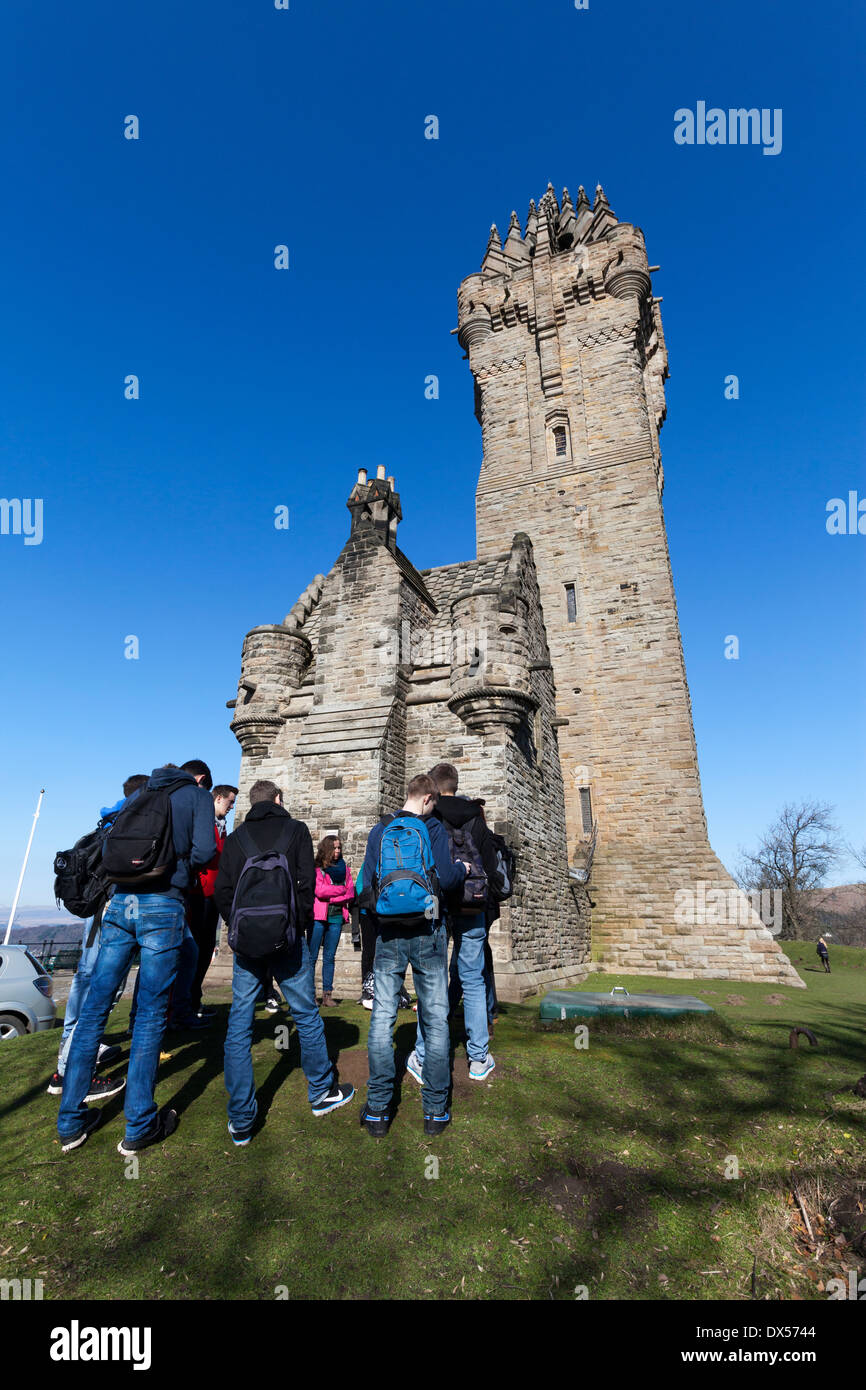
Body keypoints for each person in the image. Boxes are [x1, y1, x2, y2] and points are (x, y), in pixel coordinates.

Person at [56, 763, 217, 1154]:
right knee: (148, 1014)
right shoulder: (195, 796)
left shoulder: (140, 794)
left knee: (94, 1010)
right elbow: (206, 851)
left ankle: (70, 1122)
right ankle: (140, 1124)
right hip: (163, 905)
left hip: (119, 904)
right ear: (196, 780)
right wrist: (178, 868)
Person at [214, 780, 354, 1145]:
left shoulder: (235, 839)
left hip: (246, 945)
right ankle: (322, 1093)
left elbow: (222, 892)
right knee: (305, 1013)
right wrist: (297, 926)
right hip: (288, 940)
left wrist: (242, 926)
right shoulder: (295, 830)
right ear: (278, 800)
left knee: (240, 1022)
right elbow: (307, 885)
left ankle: (242, 1118)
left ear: (250, 802)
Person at [360, 774, 469, 1139]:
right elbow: (448, 880)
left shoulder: (380, 830)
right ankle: (435, 1111)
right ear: (427, 798)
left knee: (382, 1018)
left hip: (389, 933)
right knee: (436, 1020)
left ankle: (378, 1110)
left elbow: (364, 886)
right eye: (434, 803)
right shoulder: (433, 828)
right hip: (428, 930)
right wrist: (462, 870)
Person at [47, 775, 148, 1098]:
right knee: (103, 989)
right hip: (110, 912)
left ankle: (67, 1058)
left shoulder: (105, 821)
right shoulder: (129, 825)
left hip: (93, 911)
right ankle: (70, 1072)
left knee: (85, 982)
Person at [407, 763, 500, 1085]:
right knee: (473, 981)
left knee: (431, 982)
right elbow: (488, 865)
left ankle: (422, 1053)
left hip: (435, 906)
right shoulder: (476, 816)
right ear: (457, 786)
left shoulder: (428, 816)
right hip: (471, 905)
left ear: (433, 787)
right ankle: (477, 1059)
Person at [187, 783, 237, 1018]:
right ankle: (187, 1003)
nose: (232, 806)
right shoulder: (203, 822)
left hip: (213, 895)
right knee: (195, 949)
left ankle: (194, 999)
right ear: (218, 798)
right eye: (230, 801)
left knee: (205, 948)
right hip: (199, 894)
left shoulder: (222, 826)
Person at [310, 834, 355, 1007]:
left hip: (336, 917)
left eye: (339, 848)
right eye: (334, 848)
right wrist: (340, 892)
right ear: (327, 849)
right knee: (312, 957)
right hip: (318, 917)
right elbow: (320, 891)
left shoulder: (344, 869)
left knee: (329, 957)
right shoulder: (317, 868)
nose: (337, 851)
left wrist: (334, 896)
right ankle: (310, 995)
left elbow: (350, 892)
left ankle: (327, 995)